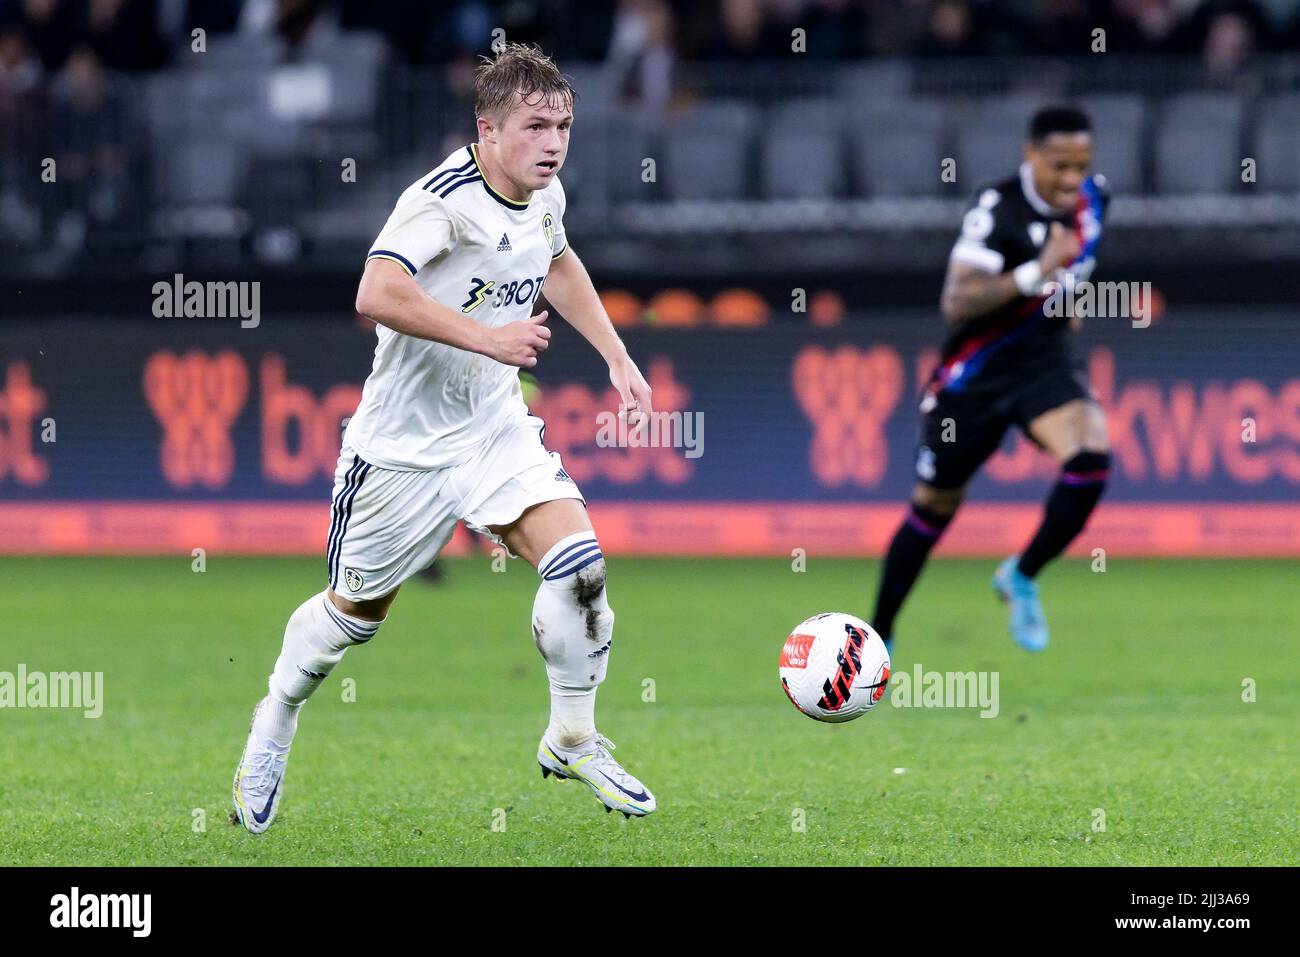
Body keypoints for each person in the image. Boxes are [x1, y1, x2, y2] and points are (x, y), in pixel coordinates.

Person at [233, 42, 657, 832]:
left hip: (492, 429)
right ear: (488, 130)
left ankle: (572, 734)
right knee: (352, 620)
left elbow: (557, 260)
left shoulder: (546, 192)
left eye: (563, 124)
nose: (554, 142)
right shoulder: (441, 200)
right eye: (535, 127)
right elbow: (377, 289)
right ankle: (275, 720)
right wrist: (486, 338)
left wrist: (616, 353)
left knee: (580, 568)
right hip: (401, 450)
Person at [870, 104, 1111, 654]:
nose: (1072, 180)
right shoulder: (995, 208)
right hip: (972, 379)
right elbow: (957, 302)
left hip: (1044, 364)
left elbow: (1077, 275)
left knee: (1091, 458)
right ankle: (878, 636)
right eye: (1059, 166)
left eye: (1082, 166)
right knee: (935, 505)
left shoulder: (1096, 201)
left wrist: (1065, 306)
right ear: (1030, 155)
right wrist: (1036, 271)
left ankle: (1022, 574)